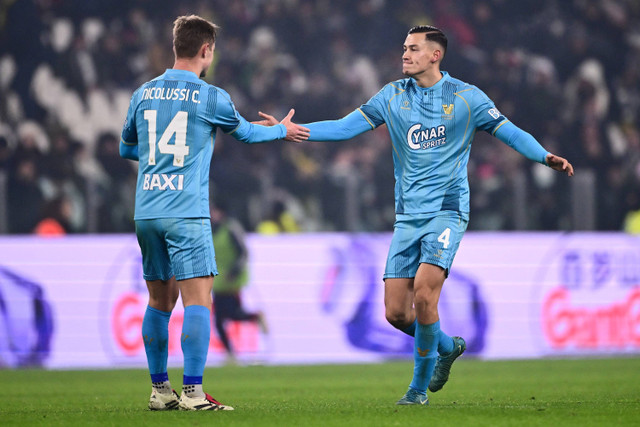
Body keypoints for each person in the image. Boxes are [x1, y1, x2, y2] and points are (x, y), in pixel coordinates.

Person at [264, 25, 574, 405]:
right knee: (396, 313)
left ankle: (416, 392)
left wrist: (543, 156)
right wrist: (293, 131)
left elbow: (509, 132)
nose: (405, 55)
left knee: (426, 296)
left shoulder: (466, 97)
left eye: (413, 49)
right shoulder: (391, 96)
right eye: (404, 49)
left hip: (447, 209)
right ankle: (446, 346)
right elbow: (345, 127)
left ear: (435, 55)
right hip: (408, 217)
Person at [119, 15, 309, 412]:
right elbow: (246, 133)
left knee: (158, 301)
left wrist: (160, 158)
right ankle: (193, 393)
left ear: (176, 47)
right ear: (206, 51)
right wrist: (281, 130)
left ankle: (159, 391)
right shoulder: (210, 97)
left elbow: (126, 149)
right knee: (199, 301)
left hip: (147, 211)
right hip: (186, 212)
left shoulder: (143, 93)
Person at [210, 204, 267, 364]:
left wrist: (234, 271)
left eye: (214, 211)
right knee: (227, 315)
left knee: (222, 318)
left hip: (231, 280)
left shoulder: (231, 228)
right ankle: (254, 318)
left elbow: (243, 252)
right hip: (219, 280)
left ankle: (230, 354)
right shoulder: (211, 230)